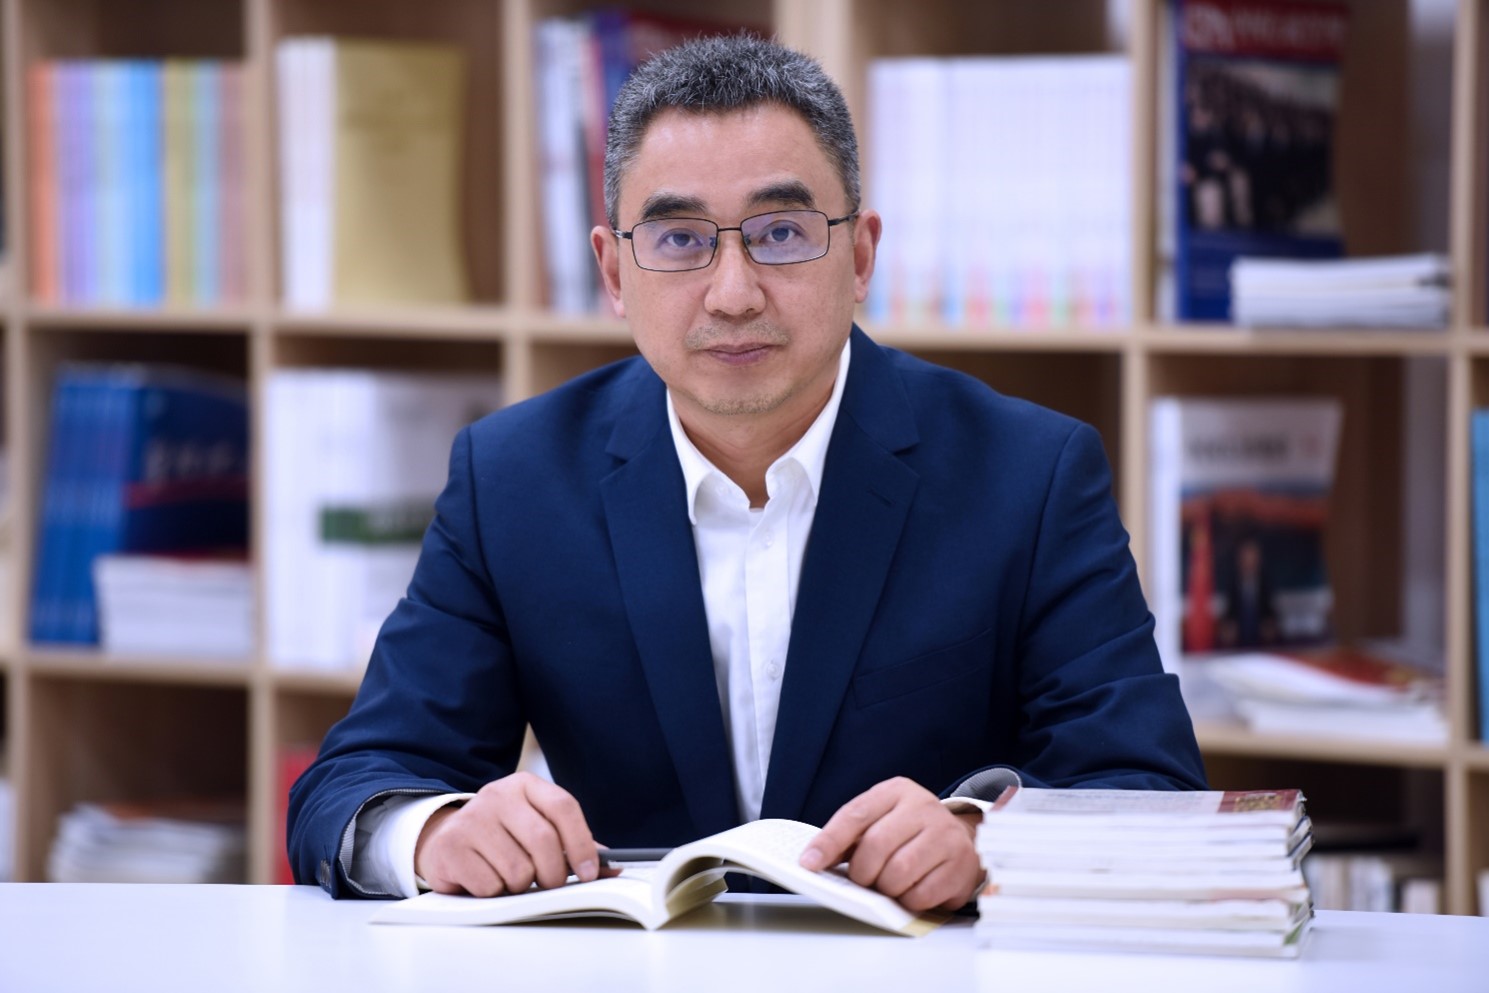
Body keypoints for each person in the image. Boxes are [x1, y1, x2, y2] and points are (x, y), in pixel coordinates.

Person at [288, 34, 1207, 915]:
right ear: (615, 272)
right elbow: (351, 784)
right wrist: (436, 832)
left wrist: (986, 839)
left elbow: (1150, 786)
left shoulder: (1028, 474)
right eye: (678, 240)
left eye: (780, 232)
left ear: (859, 256)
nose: (732, 293)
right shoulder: (513, 479)